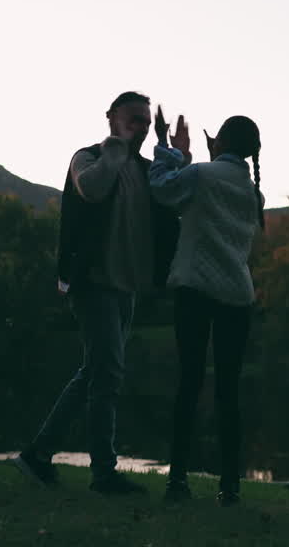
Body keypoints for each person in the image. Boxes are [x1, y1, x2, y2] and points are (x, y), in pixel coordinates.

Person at [14, 91, 181, 495]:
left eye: (144, 120)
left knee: (94, 372)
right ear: (111, 118)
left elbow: (173, 197)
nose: (139, 126)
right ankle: (103, 473)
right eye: (132, 118)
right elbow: (93, 189)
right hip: (92, 283)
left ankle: (37, 454)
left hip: (127, 287)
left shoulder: (144, 169)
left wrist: (174, 153)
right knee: (106, 374)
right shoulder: (87, 158)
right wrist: (116, 147)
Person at [148, 110, 265, 506]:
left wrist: (169, 150)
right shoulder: (253, 191)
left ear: (219, 143)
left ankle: (178, 480)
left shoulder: (202, 175)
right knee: (228, 392)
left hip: (196, 290)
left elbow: (162, 190)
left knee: (189, 383)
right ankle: (230, 486)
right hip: (238, 296)